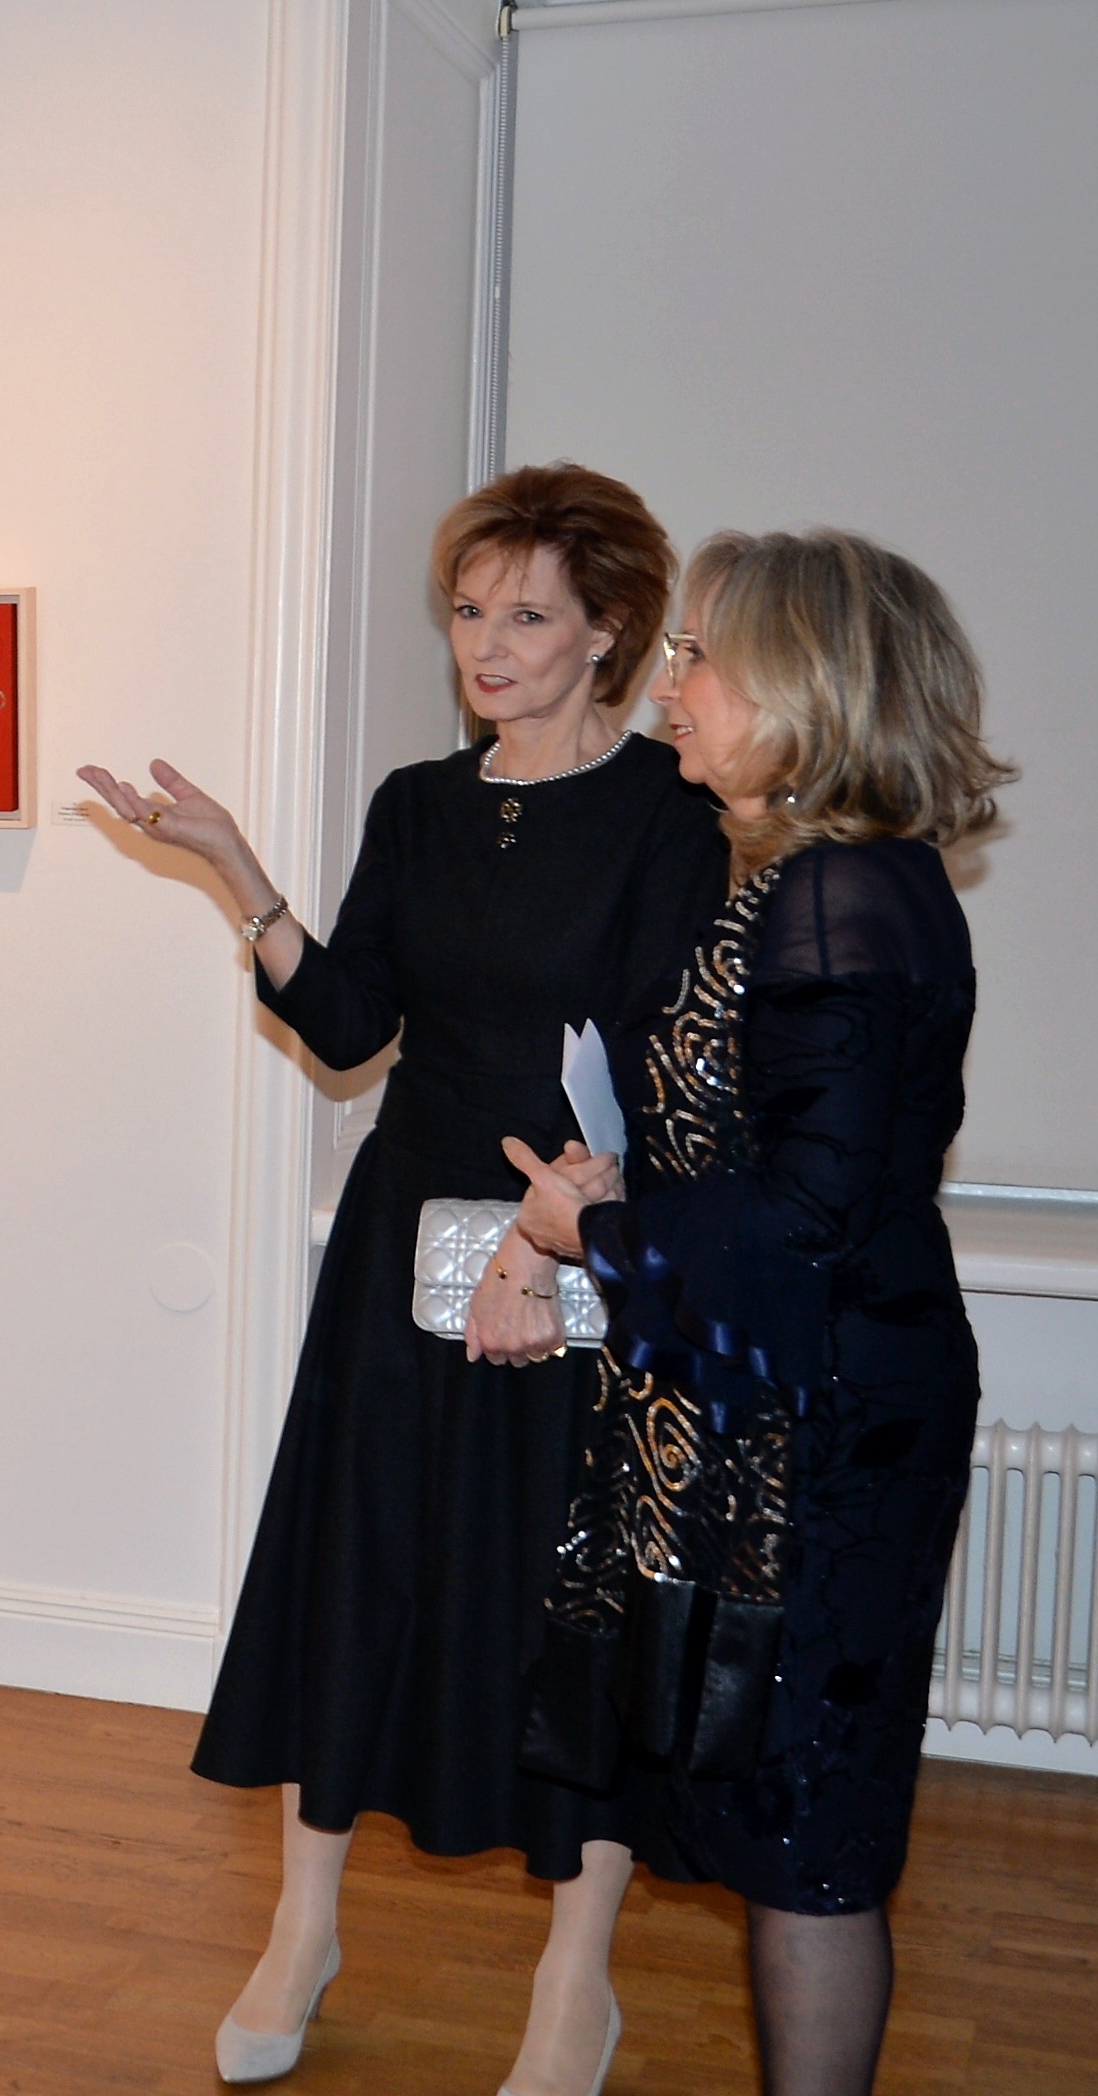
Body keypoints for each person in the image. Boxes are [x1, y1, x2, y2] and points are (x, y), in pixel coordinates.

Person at [80, 462, 728, 2094]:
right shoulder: (418, 804)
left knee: (565, 1601)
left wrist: (539, 1244)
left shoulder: (670, 815)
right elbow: (354, 1029)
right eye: (468, 611)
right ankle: (302, 1932)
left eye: (529, 617)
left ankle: (575, 1984)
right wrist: (239, 875)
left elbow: (664, 1078)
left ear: (609, 634)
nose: (487, 647)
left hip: (577, 1247)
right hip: (401, 1240)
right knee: (357, 1566)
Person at [507, 530, 1009, 2096]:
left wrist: (599, 1228)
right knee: (798, 1819)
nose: (674, 686)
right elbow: (793, 1158)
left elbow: (810, 1214)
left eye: (701, 655)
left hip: (828, 1429)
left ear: (805, 685)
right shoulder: (832, 881)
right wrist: (635, 1182)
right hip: (822, 1396)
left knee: (811, 1834)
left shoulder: (836, 891)